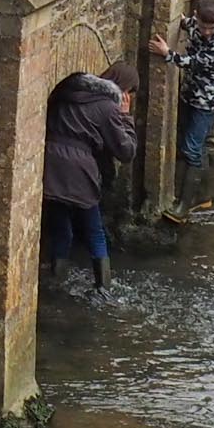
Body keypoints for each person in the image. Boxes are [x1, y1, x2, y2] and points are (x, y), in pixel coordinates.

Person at [43, 62, 139, 292]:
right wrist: (125, 117)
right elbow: (126, 152)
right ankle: (103, 287)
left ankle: (57, 277)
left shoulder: (70, 90)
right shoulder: (108, 107)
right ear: (123, 89)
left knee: (61, 224)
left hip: (49, 165)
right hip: (79, 170)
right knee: (94, 229)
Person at [148, 0, 214, 223]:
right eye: (204, 26)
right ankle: (202, 194)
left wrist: (167, 54)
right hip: (191, 93)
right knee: (195, 144)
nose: (207, 31)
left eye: (212, 27)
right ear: (197, 16)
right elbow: (188, 24)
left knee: (191, 148)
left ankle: (184, 205)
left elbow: (194, 61)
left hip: (208, 100)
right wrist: (181, 21)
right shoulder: (196, 23)